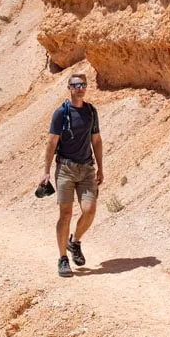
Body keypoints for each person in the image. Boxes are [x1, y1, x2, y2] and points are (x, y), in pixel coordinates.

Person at [40, 72, 104, 277]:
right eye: (76, 85)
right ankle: (62, 260)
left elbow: (97, 140)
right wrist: (46, 172)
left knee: (90, 209)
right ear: (69, 87)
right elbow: (51, 143)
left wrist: (101, 168)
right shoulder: (61, 113)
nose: (80, 88)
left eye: (83, 84)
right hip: (65, 169)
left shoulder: (91, 111)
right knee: (65, 214)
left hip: (87, 169)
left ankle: (74, 242)